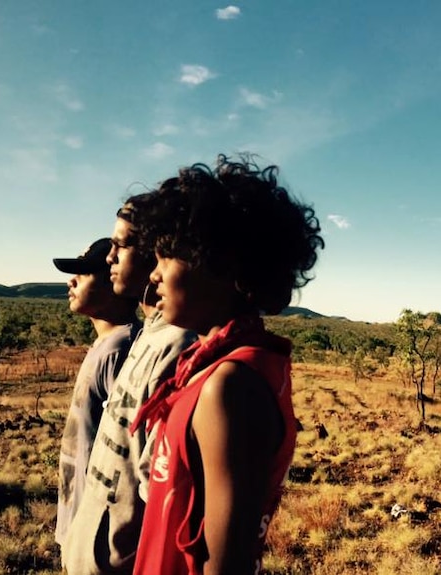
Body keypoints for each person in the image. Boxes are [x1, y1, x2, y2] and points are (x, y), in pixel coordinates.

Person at [129, 155, 324, 575]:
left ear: (220, 264)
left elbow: (226, 565)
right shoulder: (217, 366)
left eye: (167, 257)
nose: (154, 276)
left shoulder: (230, 385)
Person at [60, 195, 196, 574]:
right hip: (90, 555)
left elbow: (158, 494)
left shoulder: (177, 347)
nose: (109, 257)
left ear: (158, 256)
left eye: (121, 245)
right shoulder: (148, 336)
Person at [53, 238, 143, 554]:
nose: (71, 281)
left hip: (97, 536)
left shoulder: (122, 350)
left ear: (113, 283)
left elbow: (127, 453)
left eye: (84, 273)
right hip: (80, 524)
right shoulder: (108, 345)